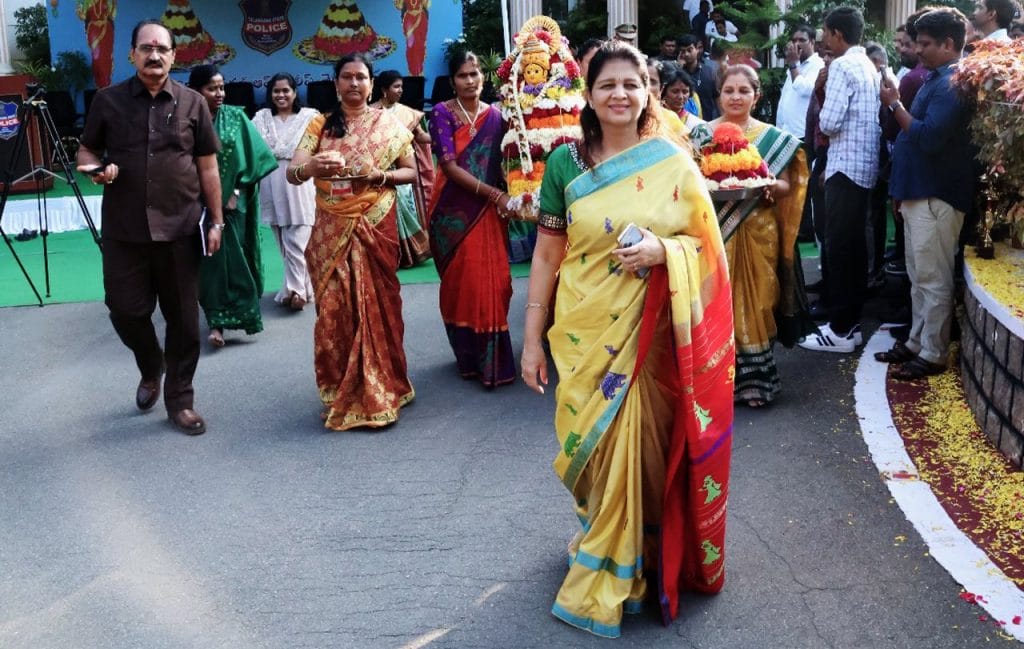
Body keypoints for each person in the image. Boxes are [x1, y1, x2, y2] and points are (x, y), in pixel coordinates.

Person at [521, 41, 734, 638]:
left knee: (640, 446)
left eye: (630, 84)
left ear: (648, 92)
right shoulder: (565, 162)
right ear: (588, 94)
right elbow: (546, 253)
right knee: (591, 446)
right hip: (586, 330)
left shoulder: (671, 161)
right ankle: (604, 535)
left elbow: (708, 250)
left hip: (650, 337)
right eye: (606, 84)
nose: (619, 94)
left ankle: (623, 567)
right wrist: (532, 340)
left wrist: (664, 251)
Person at [77, 19, 222, 435]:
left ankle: (180, 400)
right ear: (132, 55)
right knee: (124, 310)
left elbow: (207, 166)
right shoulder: (108, 101)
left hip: (179, 229)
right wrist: (94, 169)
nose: (154, 55)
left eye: (162, 48)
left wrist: (215, 219)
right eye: (146, 48)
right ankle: (149, 363)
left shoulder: (193, 103)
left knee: (184, 321)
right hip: (125, 231)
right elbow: (87, 149)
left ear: (174, 55)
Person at [287, 53, 418, 430]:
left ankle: (384, 386)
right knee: (332, 311)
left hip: (375, 223)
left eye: (361, 77)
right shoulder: (319, 124)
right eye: (347, 77)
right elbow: (295, 173)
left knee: (380, 307)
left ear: (371, 83)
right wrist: (309, 168)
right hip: (331, 229)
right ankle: (340, 387)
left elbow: (410, 171)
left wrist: (378, 175)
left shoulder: (388, 124)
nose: (354, 84)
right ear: (336, 83)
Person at [693, 65, 815, 407]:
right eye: (729, 90)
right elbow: (688, 183)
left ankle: (757, 384)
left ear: (756, 96)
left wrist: (766, 184)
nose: (735, 97)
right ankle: (718, 383)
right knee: (715, 300)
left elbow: (789, 185)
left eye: (743, 91)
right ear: (718, 96)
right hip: (716, 229)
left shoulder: (774, 139)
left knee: (760, 301)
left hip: (761, 227)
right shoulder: (700, 135)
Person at [877, 7, 976, 379]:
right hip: (920, 192)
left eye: (925, 43)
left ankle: (933, 352)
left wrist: (894, 105)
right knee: (919, 275)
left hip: (938, 195)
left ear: (949, 44)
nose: (917, 50)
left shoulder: (953, 84)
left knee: (933, 278)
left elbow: (927, 138)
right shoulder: (938, 78)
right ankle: (918, 342)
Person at [427, 51, 515, 388]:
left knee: (496, 282)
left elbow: (507, 163)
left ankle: (492, 357)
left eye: (475, 74)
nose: (470, 80)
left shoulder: (498, 116)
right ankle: (468, 356)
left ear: (484, 77)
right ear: (452, 81)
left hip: (489, 214)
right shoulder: (441, 113)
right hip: (453, 210)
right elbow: (449, 167)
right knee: (463, 283)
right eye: (463, 75)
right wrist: (495, 195)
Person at [798, 7, 880, 354]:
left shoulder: (844, 66)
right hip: (862, 168)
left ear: (836, 34)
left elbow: (828, 123)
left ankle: (842, 330)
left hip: (844, 168)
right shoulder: (868, 65)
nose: (823, 41)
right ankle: (851, 326)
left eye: (825, 35)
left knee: (841, 248)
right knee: (854, 249)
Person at [188, 64, 277, 348]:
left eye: (221, 87)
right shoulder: (186, 119)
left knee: (237, 258)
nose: (219, 93)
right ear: (196, 91)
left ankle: (242, 315)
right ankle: (216, 323)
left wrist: (235, 191)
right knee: (210, 264)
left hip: (234, 205)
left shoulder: (236, 118)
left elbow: (257, 159)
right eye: (212, 88)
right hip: (196, 205)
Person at [253, 72, 320, 310]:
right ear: (270, 94)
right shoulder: (261, 118)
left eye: (285, 91)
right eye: (276, 91)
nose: (281, 95)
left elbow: (319, 146)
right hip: (270, 181)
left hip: (300, 180)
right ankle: (298, 288)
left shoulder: (310, 117)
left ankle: (297, 291)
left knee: (298, 237)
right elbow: (253, 148)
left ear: (294, 93)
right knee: (282, 237)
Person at [371, 69, 433, 268]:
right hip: (379, 171)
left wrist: (446, 138)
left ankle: (410, 253)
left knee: (406, 210)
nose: (400, 91)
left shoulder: (408, 113)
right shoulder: (370, 112)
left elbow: (422, 137)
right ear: (383, 90)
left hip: (403, 171)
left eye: (401, 87)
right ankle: (389, 255)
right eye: (396, 87)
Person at [776, 25, 825, 139]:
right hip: (785, 132)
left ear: (812, 42)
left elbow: (804, 90)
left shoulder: (818, 64)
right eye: (794, 40)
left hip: (802, 134)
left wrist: (793, 64)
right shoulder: (796, 64)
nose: (796, 44)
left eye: (802, 40)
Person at [676, 34, 719, 120]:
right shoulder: (676, 73)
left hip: (708, 122)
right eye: (683, 51)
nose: (686, 54)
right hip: (683, 124)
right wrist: (678, 69)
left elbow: (717, 97)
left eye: (689, 50)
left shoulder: (709, 72)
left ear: (697, 49)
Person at [660, 66, 703, 131]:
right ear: (664, 91)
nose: (680, 97)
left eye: (685, 92)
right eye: (675, 91)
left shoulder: (695, 124)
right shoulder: (654, 119)